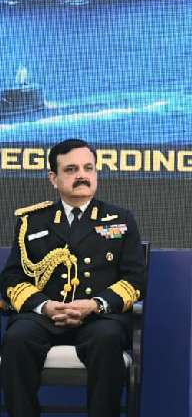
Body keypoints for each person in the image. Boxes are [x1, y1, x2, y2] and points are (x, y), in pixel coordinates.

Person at [1, 139, 145, 417]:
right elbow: (12, 278)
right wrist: (44, 306)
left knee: (107, 340)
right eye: (71, 169)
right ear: (53, 178)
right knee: (16, 339)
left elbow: (136, 279)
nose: (82, 175)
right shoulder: (32, 221)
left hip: (98, 316)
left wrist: (95, 304)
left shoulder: (119, 218)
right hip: (44, 316)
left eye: (88, 168)